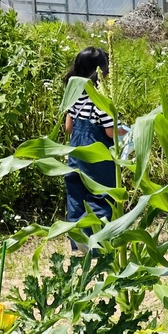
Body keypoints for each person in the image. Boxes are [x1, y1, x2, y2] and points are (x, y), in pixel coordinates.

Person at [63, 47, 123, 243]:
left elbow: (68, 127)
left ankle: (78, 241)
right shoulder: (99, 98)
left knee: (76, 197)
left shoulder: (73, 93)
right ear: (101, 71)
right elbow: (110, 132)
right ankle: (96, 243)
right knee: (101, 196)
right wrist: (127, 130)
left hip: (75, 151)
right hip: (96, 153)